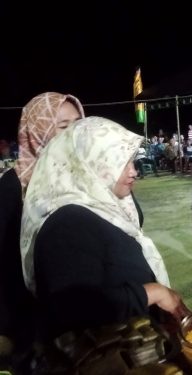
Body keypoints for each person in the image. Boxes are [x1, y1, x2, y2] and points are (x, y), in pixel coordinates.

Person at [20, 116, 189, 340]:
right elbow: (68, 309)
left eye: (132, 162)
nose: (133, 172)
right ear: (88, 165)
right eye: (121, 163)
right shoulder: (67, 223)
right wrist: (152, 293)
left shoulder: (108, 207)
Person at [0, 92, 84, 371]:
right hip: (33, 323)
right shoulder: (12, 188)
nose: (74, 132)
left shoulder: (85, 177)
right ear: (38, 131)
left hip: (86, 310)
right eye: (62, 126)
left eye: (78, 122)